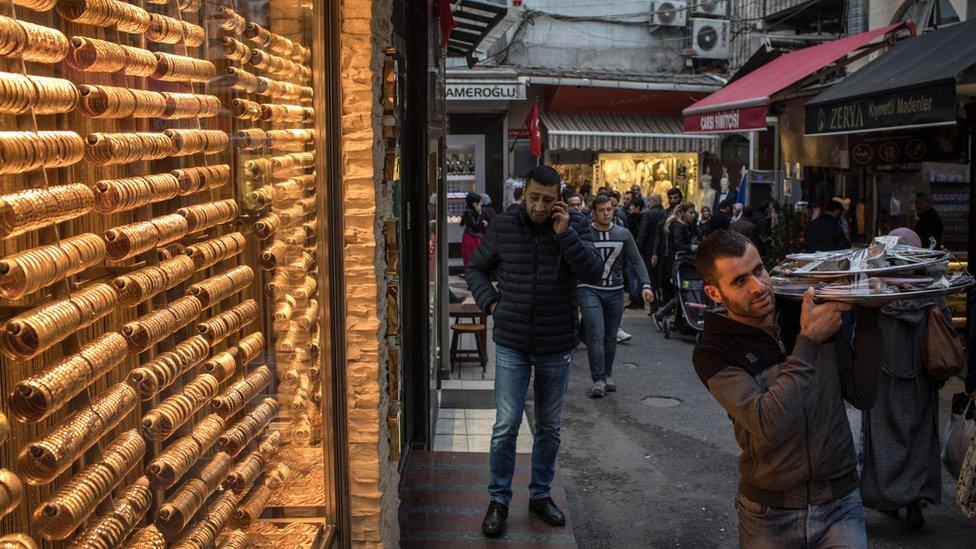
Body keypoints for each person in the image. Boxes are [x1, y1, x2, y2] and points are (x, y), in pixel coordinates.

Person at [693, 230, 881, 548]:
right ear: (714, 292)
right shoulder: (713, 351)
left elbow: (862, 394)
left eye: (759, 270)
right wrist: (808, 341)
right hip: (768, 515)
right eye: (739, 281)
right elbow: (769, 424)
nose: (758, 287)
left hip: (840, 504)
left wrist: (870, 312)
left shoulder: (803, 307)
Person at [466, 165, 604, 538]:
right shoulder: (505, 225)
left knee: (549, 427)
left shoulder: (573, 225)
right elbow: (475, 269)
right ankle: (498, 500)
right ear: (522, 194)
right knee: (505, 426)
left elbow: (594, 272)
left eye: (548, 199)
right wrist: (492, 305)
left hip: (556, 344)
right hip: (512, 341)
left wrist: (565, 237)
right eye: (534, 198)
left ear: (558, 197)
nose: (540, 207)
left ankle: (540, 495)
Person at [860, 228, 949, 532]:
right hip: (920, 379)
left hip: (884, 378)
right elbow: (945, 324)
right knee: (919, 438)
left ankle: (890, 499)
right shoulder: (931, 287)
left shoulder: (878, 289)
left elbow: (864, 332)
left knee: (885, 440)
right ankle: (914, 505)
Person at [579, 195, 652, 397]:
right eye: (601, 210)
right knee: (596, 333)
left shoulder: (623, 233)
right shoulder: (584, 232)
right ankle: (598, 379)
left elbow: (636, 260)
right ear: (593, 211)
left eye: (609, 209)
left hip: (615, 290)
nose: (605, 213)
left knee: (611, 336)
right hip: (589, 288)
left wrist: (646, 285)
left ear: (614, 210)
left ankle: (607, 374)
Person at [652, 202, 698, 327]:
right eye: (690, 213)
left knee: (681, 293)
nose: (693, 215)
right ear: (683, 213)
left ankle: (671, 317)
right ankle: (661, 314)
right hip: (677, 263)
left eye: (694, 213)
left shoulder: (684, 225)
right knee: (681, 293)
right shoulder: (678, 226)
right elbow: (679, 245)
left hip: (678, 262)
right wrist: (692, 248)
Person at [638, 193, 666, 314]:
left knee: (651, 279)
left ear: (653, 201)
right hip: (662, 250)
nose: (647, 203)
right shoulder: (664, 213)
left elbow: (643, 233)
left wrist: (638, 249)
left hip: (648, 251)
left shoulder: (648, 214)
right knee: (658, 277)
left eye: (648, 201)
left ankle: (653, 306)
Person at [624, 196, 646, 310]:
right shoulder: (644, 218)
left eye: (632, 205)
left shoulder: (631, 218)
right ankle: (641, 300)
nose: (630, 207)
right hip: (641, 250)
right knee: (640, 276)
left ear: (637, 207)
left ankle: (634, 300)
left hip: (632, 249)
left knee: (632, 276)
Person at [460, 191, 486, 267]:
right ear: (474, 203)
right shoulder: (468, 212)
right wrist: (480, 214)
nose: (481, 204)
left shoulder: (473, 211)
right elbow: (475, 225)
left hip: (476, 236)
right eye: (479, 202)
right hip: (472, 237)